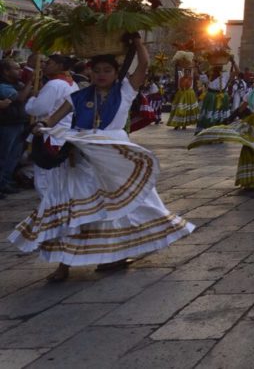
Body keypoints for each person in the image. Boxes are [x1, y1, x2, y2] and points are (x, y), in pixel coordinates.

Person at [12, 36, 195, 282]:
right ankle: (63, 264)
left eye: (107, 70)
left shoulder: (126, 90)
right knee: (73, 207)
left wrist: (139, 44)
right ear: (89, 71)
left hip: (114, 155)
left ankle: (114, 254)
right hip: (82, 155)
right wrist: (42, 125)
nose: (101, 75)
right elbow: (53, 118)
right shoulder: (77, 96)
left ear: (115, 72)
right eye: (96, 70)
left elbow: (143, 67)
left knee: (121, 207)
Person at [0, 59, 32, 196]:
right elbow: (20, 97)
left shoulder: (17, 84)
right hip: (7, 124)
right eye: (15, 68)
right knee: (4, 156)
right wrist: (31, 82)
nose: (19, 71)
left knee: (14, 156)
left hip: (18, 122)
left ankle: (6, 181)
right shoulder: (3, 86)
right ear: (6, 71)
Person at [197, 64, 232, 130]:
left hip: (222, 98)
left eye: (220, 66)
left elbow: (237, 72)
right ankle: (208, 130)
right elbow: (200, 76)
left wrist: (233, 62)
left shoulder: (225, 75)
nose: (219, 67)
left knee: (220, 116)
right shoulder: (209, 75)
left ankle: (219, 131)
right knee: (209, 115)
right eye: (218, 66)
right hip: (211, 98)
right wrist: (197, 67)